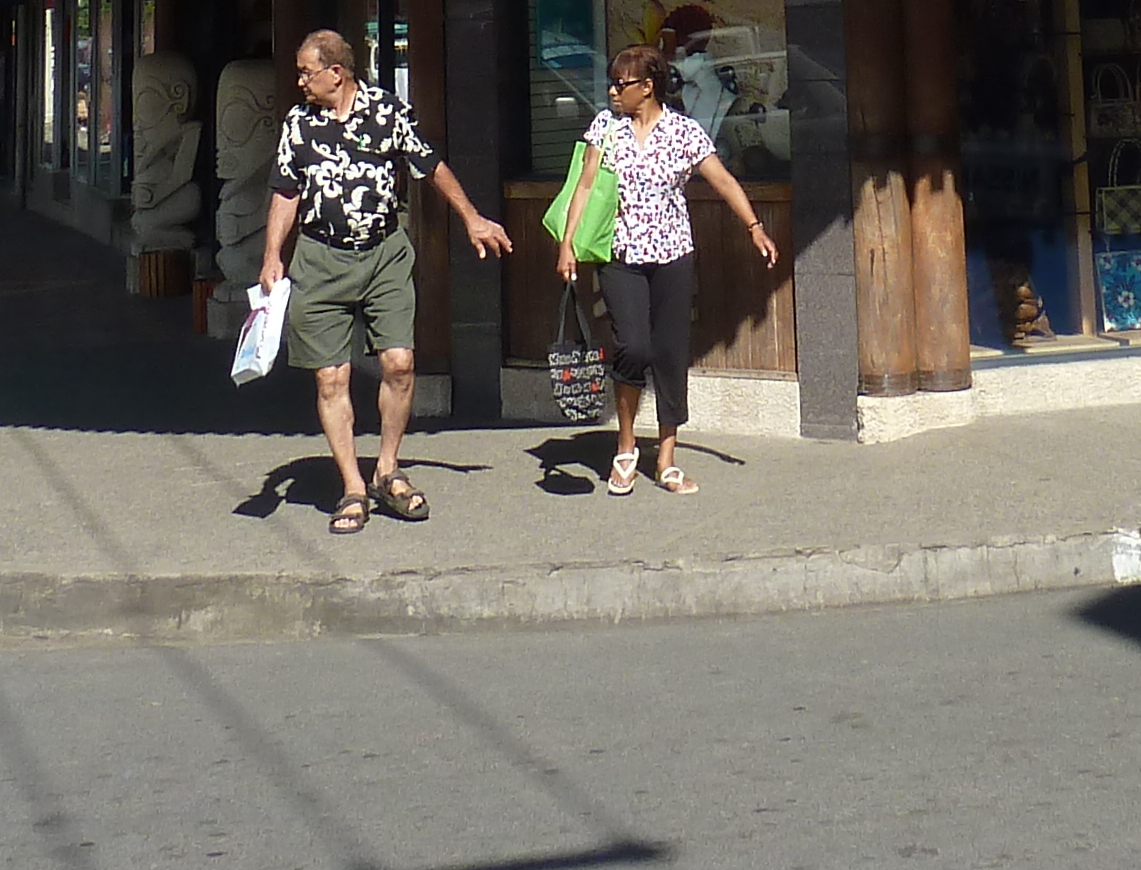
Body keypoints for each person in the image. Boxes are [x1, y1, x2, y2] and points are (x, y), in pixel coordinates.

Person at [259, 28, 509, 534]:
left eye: (307, 71)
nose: (300, 80)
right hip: (320, 258)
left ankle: (387, 469)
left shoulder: (387, 111)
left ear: (337, 72)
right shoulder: (298, 123)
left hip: (384, 254)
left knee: (400, 363)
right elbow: (286, 189)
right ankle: (353, 486)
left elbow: (429, 164)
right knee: (332, 377)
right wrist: (271, 254)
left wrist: (472, 218)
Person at [557, 40, 774, 495]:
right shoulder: (606, 129)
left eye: (622, 84)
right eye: (612, 84)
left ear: (648, 87)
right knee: (632, 347)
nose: (614, 92)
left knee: (671, 353)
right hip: (620, 256)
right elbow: (585, 186)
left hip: (673, 255)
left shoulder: (684, 132)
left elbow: (722, 180)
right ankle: (626, 446)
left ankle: (668, 457)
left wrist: (753, 226)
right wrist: (568, 244)